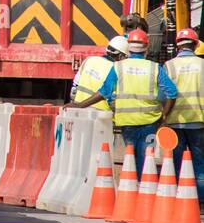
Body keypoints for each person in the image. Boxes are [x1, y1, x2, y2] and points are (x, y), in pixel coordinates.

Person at [71, 28, 176, 178]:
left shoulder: (118, 67)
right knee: (147, 160)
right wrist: (165, 116)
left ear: (129, 49)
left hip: (127, 123)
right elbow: (172, 92)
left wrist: (80, 105)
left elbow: (104, 92)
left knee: (130, 159)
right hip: (150, 122)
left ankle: (130, 190)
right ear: (146, 49)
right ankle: (144, 190)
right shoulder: (154, 68)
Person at [164, 28, 204, 193]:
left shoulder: (169, 66)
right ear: (195, 45)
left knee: (177, 164)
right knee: (200, 163)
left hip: (175, 122)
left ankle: (180, 197)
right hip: (199, 121)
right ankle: (201, 202)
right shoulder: (203, 64)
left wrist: (163, 116)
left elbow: (163, 94)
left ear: (178, 46)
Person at [69, 35, 127, 112]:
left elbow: (74, 89)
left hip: (79, 111)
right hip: (102, 116)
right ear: (120, 56)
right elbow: (112, 99)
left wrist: (75, 106)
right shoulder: (115, 69)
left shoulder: (89, 60)